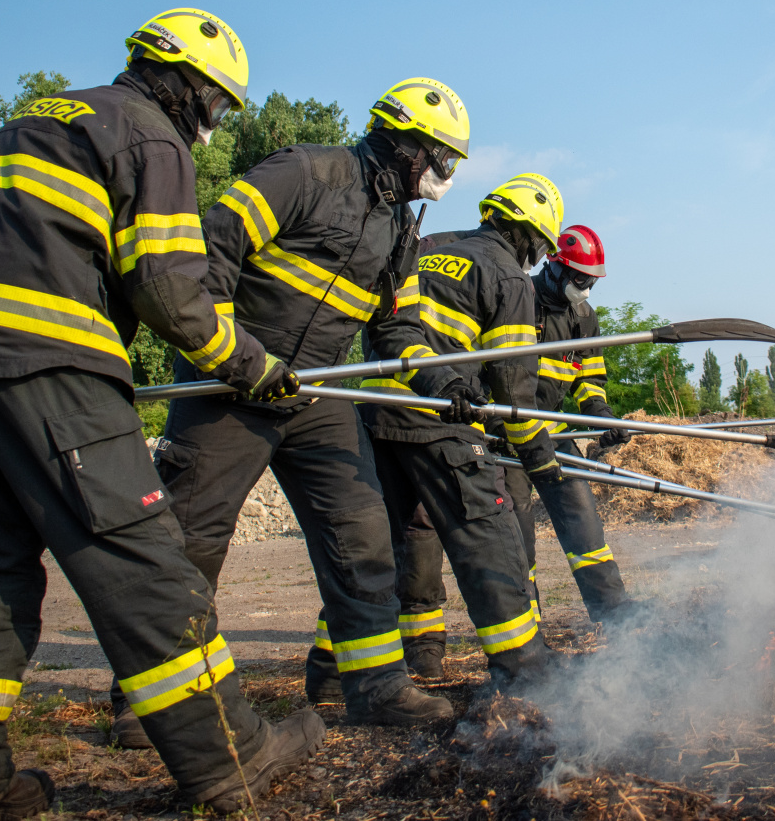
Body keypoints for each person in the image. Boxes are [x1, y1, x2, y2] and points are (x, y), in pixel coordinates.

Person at [0, 9, 324, 820]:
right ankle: (232, 757)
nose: (214, 125)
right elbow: (169, 291)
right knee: (145, 569)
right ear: (195, 91)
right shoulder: (149, 136)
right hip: (53, 364)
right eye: (219, 107)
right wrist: (254, 366)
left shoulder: (43, 116)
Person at [148, 78, 477, 734]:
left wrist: (444, 387)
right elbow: (213, 245)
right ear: (406, 143)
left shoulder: (402, 231)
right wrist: (230, 354)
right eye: (441, 158)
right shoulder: (304, 171)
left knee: (363, 533)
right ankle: (155, 703)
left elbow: (399, 331)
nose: (444, 175)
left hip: (315, 393)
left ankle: (376, 685)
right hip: (230, 383)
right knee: (189, 538)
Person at [343, 173, 566, 690]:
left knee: (382, 546)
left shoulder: (431, 245)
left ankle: (340, 674)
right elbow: (515, 387)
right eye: (540, 246)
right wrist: (539, 457)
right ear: (530, 235)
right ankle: (525, 669)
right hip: (438, 414)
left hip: (375, 412)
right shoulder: (508, 276)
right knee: (487, 535)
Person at [396, 225, 635, 678]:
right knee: (517, 544)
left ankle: (617, 615)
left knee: (585, 530)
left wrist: (602, 416)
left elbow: (590, 378)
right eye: (580, 279)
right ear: (555, 264)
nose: (585, 290)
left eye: (593, 283)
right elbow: (497, 372)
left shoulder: (584, 318)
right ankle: (531, 636)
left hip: (556, 433)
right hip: (508, 438)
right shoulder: (517, 295)